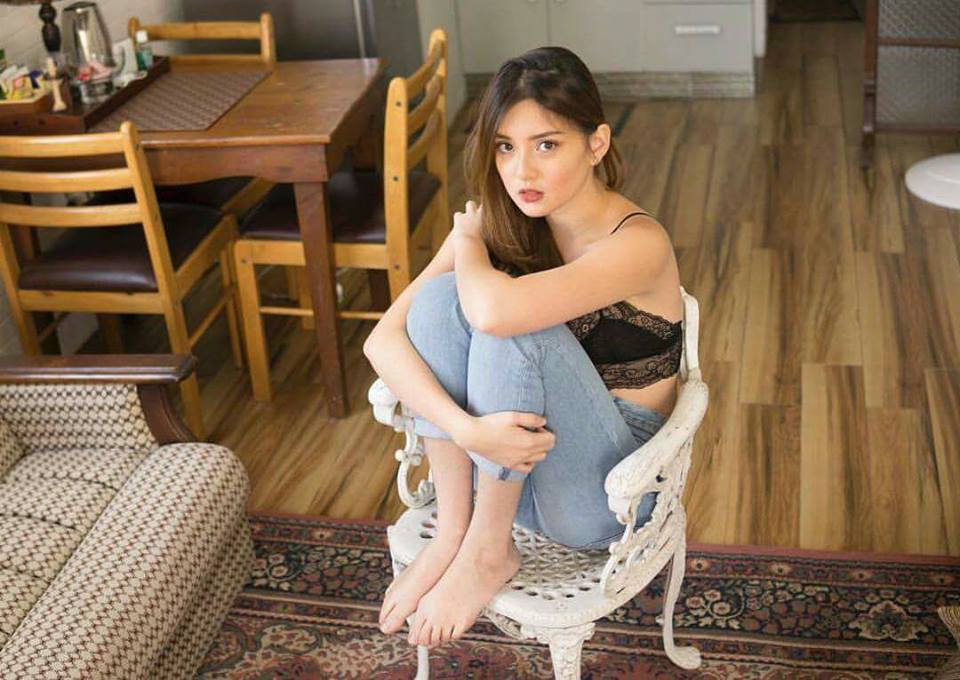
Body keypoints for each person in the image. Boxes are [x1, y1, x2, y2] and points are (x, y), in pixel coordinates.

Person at [362, 45, 684, 650]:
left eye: (547, 145)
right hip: (504, 471)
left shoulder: (638, 243)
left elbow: (495, 313)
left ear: (597, 143)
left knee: (509, 320)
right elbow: (383, 339)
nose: (521, 172)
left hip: (605, 499)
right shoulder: (504, 219)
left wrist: (467, 243)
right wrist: (467, 430)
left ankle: (488, 552)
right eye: (505, 147)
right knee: (436, 303)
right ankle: (455, 533)